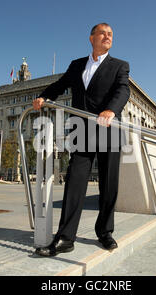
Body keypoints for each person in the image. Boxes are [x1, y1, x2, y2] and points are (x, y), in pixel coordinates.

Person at [33, 23, 130, 257]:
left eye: (111, 34)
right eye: (103, 33)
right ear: (92, 38)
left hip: (109, 129)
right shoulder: (77, 65)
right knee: (74, 182)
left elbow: (123, 90)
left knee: (109, 185)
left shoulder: (120, 66)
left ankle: (104, 232)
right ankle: (66, 238)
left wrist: (111, 110)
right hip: (82, 131)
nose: (107, 37)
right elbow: (60, 84)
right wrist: (44, 96)